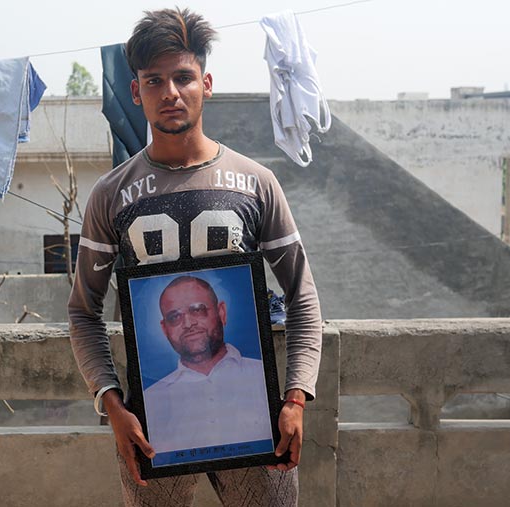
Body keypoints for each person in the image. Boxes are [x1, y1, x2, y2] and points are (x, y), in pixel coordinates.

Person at [68, 7, 322, 506]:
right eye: (154, 80)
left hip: (257, 418)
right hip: (154, 422)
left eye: (183, 77)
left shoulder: (255, 182)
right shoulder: (111, 195)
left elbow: (302, 296)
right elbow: (83, 310)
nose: (171, 92)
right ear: (137, 91)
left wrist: (296, 396)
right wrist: (112, 403)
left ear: (206, 83)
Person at [144, 275, 272, 458]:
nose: (188, 324)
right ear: (165, 329)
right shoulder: (151, 401)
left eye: (197, 310)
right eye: (175, 317)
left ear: (222, 313)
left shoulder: (263, 376)